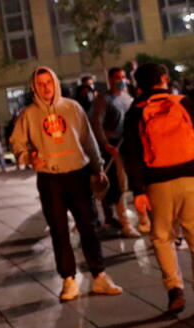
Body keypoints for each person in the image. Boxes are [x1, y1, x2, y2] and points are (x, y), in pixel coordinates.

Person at [11, 67, 123, 301]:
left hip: (78, 174)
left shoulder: (72, 108)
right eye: (40, 84)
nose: (45, 88)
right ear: (34, 87)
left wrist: (98, 168)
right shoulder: (28, 115)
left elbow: (88, 140)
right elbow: (17, 144)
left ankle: (99, 275)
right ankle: (68, 280)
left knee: (88, 227)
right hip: (49, 179)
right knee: (59, 230)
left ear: (55, 83)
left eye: (48, 82)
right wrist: (29, 158)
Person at [121, 62, 194, 313]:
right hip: (190, 178)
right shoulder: (183, 102)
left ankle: (175, 290)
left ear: (138, 85)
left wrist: (138, 191)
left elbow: (132, 155)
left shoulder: (135, 111)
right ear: (163, 78)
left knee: (162, 237)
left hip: (157, 183)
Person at [90, 67, 142, 237]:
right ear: (110, 79)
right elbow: (96, 124)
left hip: (129, 144)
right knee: (120, 184)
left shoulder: (128, 97)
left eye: (123, 76)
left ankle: (143, 220)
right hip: (114, 146)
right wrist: (105, 144)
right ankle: (126, 223)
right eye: (118, 77)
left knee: (135, 182)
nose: (121, 80)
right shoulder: (104, 100)